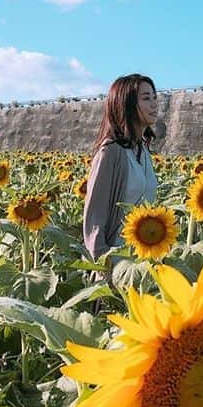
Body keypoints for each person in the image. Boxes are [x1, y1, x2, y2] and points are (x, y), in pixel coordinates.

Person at [82, 74, 160, 280]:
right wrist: (105, 270)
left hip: (143, 264)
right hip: (115, 267)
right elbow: (94, 220)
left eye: (154, 97)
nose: (154, 104)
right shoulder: (111, 153)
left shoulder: (144, 151)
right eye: (146, 98)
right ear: (126, 103)